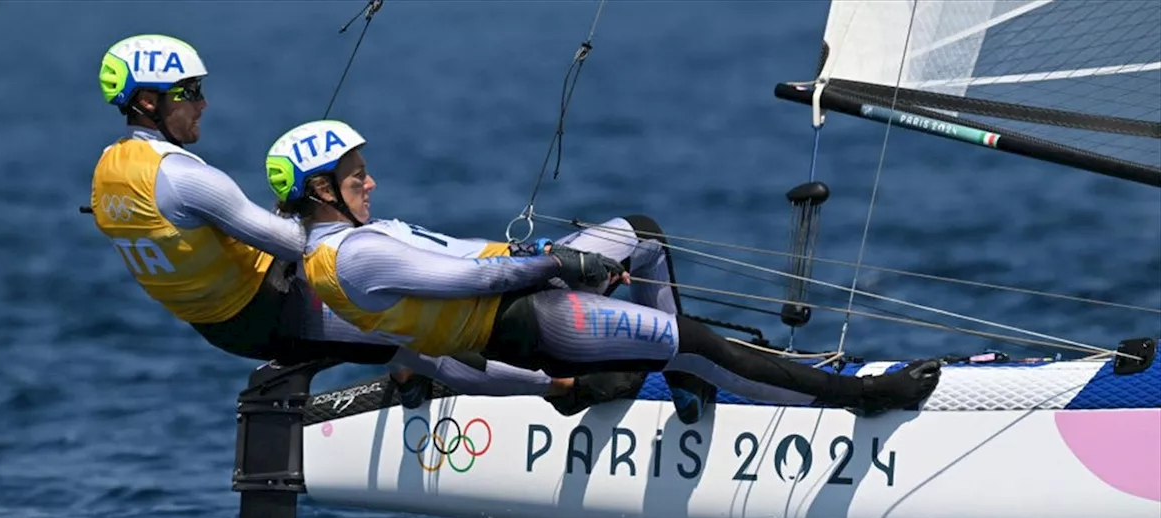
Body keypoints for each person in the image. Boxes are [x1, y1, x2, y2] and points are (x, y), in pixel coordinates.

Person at [86, 34, 643, 413]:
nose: (203, 103)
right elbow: (292, 241)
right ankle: (563, 388)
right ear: (148, 102)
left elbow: (175, 236)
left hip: (224, 323)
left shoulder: (110, 172)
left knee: (405, 317)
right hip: (271, 305)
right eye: (190, 92)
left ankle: (410, 377)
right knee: (422, 326)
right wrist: (345, 223)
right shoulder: (184, 177)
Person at [268, 119, 943, 415]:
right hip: (532, 323)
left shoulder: (358, 237)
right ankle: (864, 400)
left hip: (527, 292)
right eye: (357, 178)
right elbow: (474, 281)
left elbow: (471, 254)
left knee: (641, 235)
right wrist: (562, 266)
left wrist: (552, 259)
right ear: (323, 191)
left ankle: (682, 383)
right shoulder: (355, 254)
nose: (371, 182)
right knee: (700, 344)